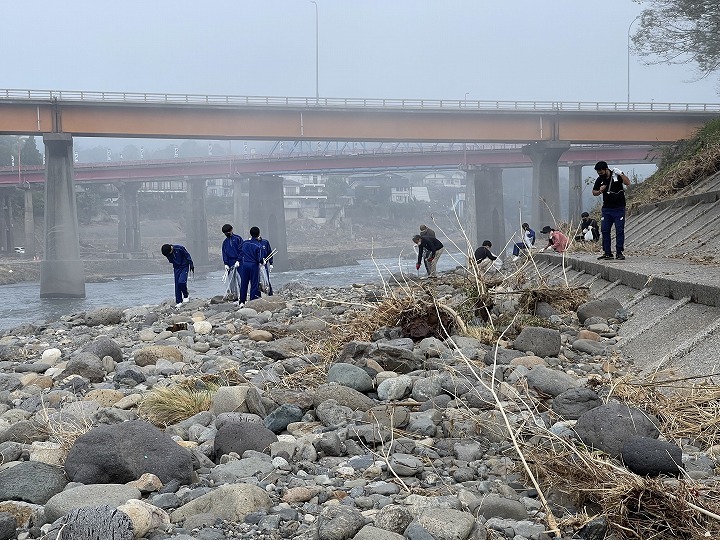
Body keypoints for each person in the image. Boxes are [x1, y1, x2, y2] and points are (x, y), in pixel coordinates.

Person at [592, 161, 631, 260]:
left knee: (619, 230)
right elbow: (594, 192)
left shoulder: (616, 176)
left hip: (619, 208)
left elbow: (628, 183)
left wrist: (621, 174)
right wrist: (600, 190)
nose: (599, 174)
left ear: (606, 169)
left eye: (601, 172)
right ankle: (607, 253)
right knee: (604, 230)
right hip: (607, 209)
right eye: (598, 172)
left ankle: (619, 252)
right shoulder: (600, 179)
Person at [161, 243, 194, 308]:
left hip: (184, 266)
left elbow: (187, 255)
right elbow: (170, 261)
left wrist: (191, 264)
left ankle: (186, 295)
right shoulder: (167, 253)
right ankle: (179, 301)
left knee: (181, 282)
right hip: (176, 268)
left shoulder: (180, 248)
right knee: (177, 285)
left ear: (171, 248)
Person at [239, 226, 263, 306]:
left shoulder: (245, 243)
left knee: (244, 283)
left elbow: (240, 252)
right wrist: (264, 261)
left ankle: (242, 301)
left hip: (245, 265)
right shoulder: (258, 245)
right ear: (258, 234)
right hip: (253, 265)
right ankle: (252, 301)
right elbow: (259, 259)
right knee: (254, 283)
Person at [221, 224, 243, 300]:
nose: (226, 234)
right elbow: (224, 253)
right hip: (230, 262)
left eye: (227, 232)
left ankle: (243, 296)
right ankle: (235, 296)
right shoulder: (225, 242)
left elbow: (242, 250)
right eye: (225, 233)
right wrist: (226, 263)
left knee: (240, 279)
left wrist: (239, 260)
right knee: (231, 281)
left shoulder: (238, 239)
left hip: (238, 262)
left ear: (231, 230)